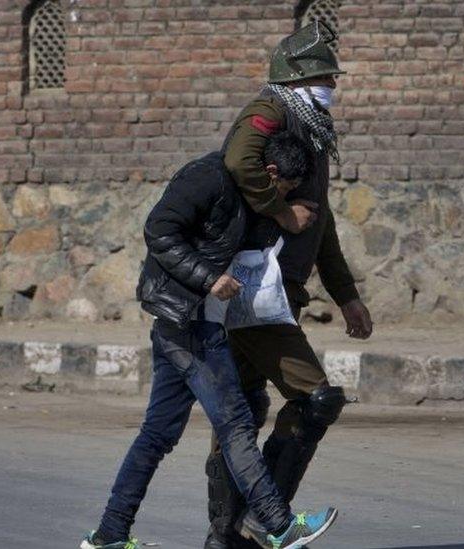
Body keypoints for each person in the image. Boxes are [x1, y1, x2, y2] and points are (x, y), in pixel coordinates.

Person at [80, 133, 338, 549]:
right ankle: (279, 525)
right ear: (270, 173)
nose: (281, 199)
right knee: (236, 422)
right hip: (189, 320)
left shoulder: (249, 196)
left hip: (191, 321)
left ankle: (109, 534)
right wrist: (208, 278)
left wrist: (289, 217)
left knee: (157, 434)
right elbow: (159, 229)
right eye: (284, 190)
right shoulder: (207, 177)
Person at [204, 21, 374, 549]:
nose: (331, 86)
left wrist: (345, 294)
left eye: (333, 77)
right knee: (316, 398)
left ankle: (227, 536)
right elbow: (238, 161)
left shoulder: (312, 128)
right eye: (322, 76)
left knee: (243, 411)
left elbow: (318, 223)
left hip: (282, 291)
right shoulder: (275, 111)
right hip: (254, 290)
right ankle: (263, 521)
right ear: (296, 76)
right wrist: (279, 211)